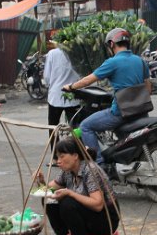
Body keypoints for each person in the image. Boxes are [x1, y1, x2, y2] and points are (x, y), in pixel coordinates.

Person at [63, 28, 150, 163]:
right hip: (141, 111)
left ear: (111, 44)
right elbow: (148, 88)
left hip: (121, 113)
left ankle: (98, 165)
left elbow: (88, 80)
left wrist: (71, 86)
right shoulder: (140, 61)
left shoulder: (112, 62)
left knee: (86, 126)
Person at [34, 138, 119, 235]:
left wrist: (70, 193)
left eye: (62, 156)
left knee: (67, 202)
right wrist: (41, 181)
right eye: (57, 157)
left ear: (75, 156)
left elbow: (98, 205)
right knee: (49, 200)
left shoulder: (90, 170)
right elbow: (48, 189)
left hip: (106, 220)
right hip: (89, 216)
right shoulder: (67, 171)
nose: (58, 161)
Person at [43, 43, 80, 149]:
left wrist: (50, 84)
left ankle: (55, 157)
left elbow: (47, 76)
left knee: (53, 127)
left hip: (55, 96)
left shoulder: (52, 53)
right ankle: (77, 154)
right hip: (73, 96)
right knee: (76, 128)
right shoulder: (77, 53)